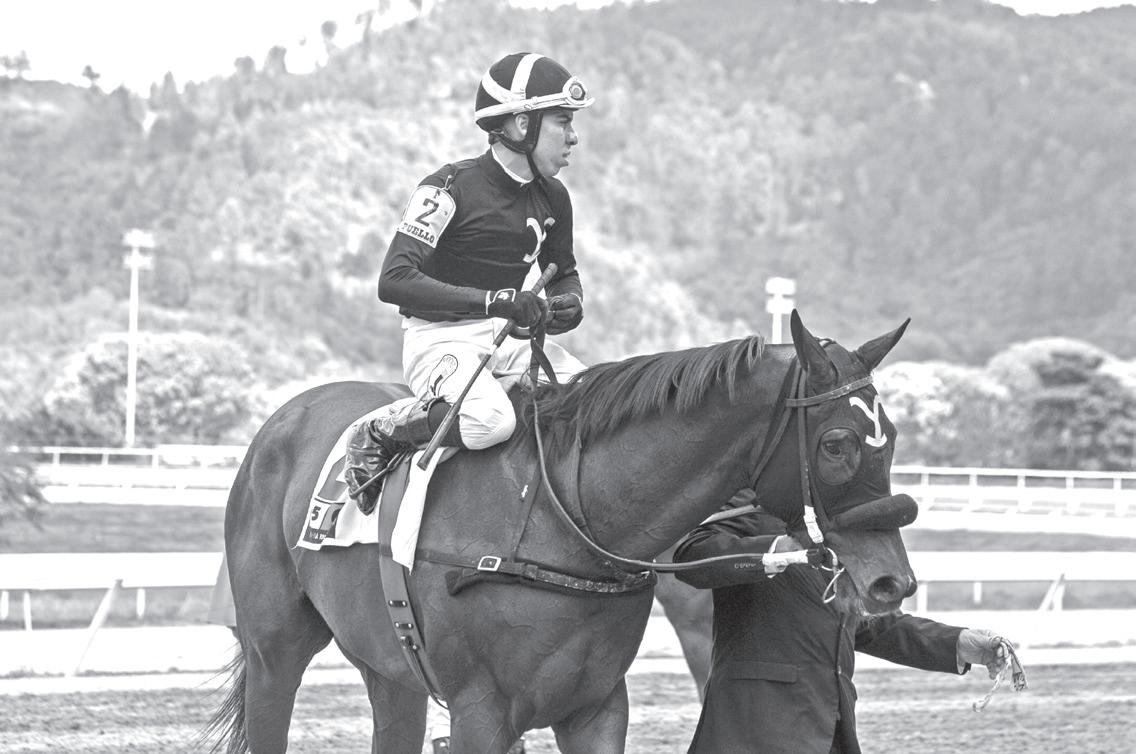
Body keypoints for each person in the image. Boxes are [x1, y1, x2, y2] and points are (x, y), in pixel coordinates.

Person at [345, 51, 594, 511]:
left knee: (590, 401)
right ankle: (384, 428)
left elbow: (564, 271)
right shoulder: (446, 188)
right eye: (563, 122)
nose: (573, 137)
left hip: (507, 340)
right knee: (491, 422)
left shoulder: (555, 197)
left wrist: (569, 302)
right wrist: (495, 300)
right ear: (522, 124)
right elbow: (394, 280)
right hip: (438, 340)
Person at [672, 509, 1016, 754]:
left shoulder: (835, 525)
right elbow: (690, 554)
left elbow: (864, 623)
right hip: (752, 731)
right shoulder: (755, 506)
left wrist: (956, 643)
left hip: (831, 729)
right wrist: (776, 550)